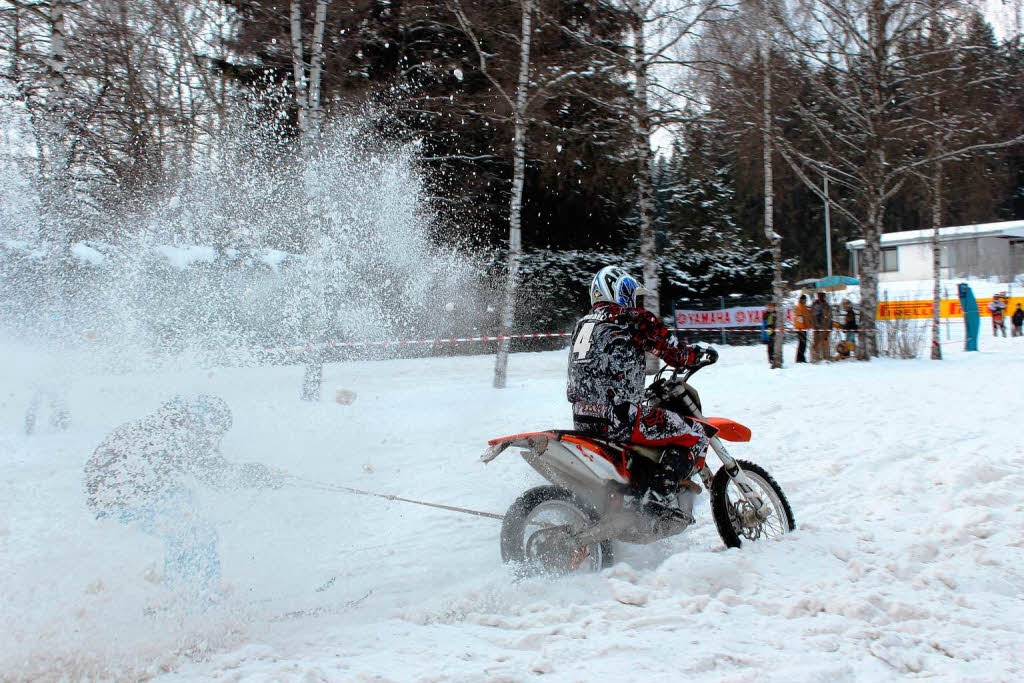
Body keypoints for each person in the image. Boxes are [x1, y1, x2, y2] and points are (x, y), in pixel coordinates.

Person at [84, 395, 286, 602]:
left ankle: (177, 592)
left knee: (184, 507)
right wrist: (261, 475)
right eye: (213, 433)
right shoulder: (180, 433)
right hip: (123, 502)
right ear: (202, 421)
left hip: (116, 497)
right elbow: (216, 474)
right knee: (199, 533)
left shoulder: (159, 426)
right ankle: (201, 601)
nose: (212, 440)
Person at [568, 266, 713, 519]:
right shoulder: (631, 318)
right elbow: (675, 354)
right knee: (696, 432)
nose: (632, 300)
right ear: (618, 290)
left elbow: (601, 366)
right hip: (620, 417)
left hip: (582, 417)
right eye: (629, 293)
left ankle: (639, 488)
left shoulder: (583, 324)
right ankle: (660, 497)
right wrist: (699, 354)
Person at [811, 293, 830, 362]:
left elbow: (829, 316)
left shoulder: (826, 305)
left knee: (824, 342)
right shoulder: (815, 304)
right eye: (820, 296)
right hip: (817, 327)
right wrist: (813, 325)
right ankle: (815, 357)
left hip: (824, 326)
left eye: (822, 296)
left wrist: (828, 327)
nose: (821, 297)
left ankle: (825, 357)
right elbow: (812, 315)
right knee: (816, 343)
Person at [793, 294, 809, 363]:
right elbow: (799, 319)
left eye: (805, 300)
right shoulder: (799, 307)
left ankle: (800, 358)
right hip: (800, 328)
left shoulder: (803, 307)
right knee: (802, 343)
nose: (805, 301)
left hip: (803, 328)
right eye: (804, 299)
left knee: (803, 344)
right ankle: (800, 358)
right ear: (801, 300)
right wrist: (801, 327)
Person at [762, 301, 778, 366]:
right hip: (769, 330)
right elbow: (764, 324)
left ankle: (775, 357)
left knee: (774, 344)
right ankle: (771, 358)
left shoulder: (775, 313)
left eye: (771, 307)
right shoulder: (766, 314)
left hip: (775, 330)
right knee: (770, 345)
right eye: (768, 307)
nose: (769, 308)